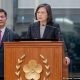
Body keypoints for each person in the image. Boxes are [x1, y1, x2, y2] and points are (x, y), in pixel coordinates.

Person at [0, 9, 20, 80]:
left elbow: (18, 54)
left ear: (6, 18)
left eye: (2, 17)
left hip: (8, 72)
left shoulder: (13, 35)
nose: (0, 19)